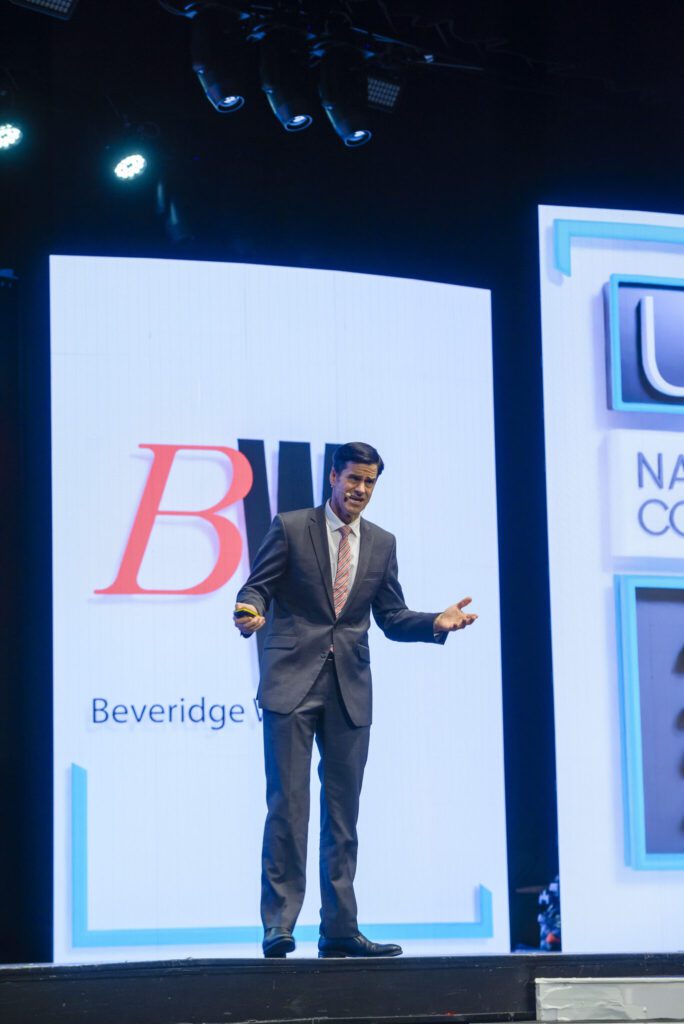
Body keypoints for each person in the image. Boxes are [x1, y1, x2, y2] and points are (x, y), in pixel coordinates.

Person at [234, 441, 477, 959]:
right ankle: (279, 925)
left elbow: (391, 617)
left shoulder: (382, 543)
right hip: (291, 683)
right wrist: (248, 610)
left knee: (343, 816)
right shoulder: (291, 527)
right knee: (288, 808)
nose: (361, 490)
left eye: (369, 482)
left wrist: (435, 622)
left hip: (350, 689)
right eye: (354, 479)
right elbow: (258, 587)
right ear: (333, 477)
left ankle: (340, 929)